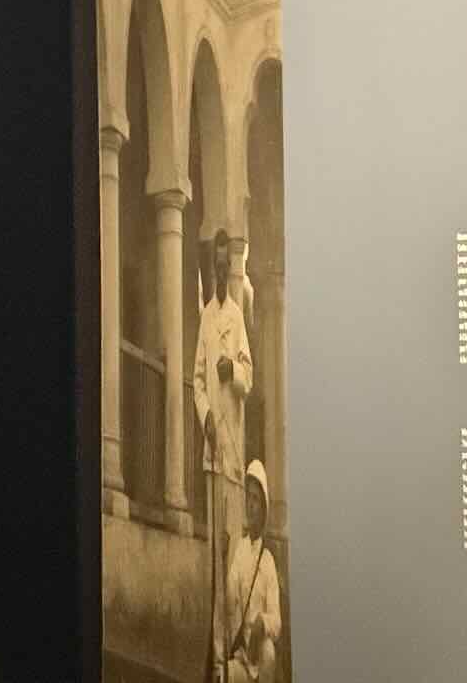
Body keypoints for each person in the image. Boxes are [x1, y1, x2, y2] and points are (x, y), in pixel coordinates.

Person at [193, 229, 253, 681]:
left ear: (229, 268)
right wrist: (207, 416)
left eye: (223, 265)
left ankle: (233, 661)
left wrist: (232, 370)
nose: (218, 271)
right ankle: (216, 665)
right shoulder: (206, 319)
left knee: (233, 568)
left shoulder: (235, 317)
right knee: (215, 564)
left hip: (234, 460)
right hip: (214, 455)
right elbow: (196, 379)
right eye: (213, 265)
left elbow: (250, 375)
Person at [224, 460, 282, 683]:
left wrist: (262, 623)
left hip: (259, 658)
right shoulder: (239, 550)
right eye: (248, 497)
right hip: (242, 655)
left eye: (256, 499)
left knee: (269, 651)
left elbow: (277, 621)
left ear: (264, 508)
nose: (250, 505)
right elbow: (228, 601)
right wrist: (223, 557)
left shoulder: (268, 559)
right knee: (223, 675)